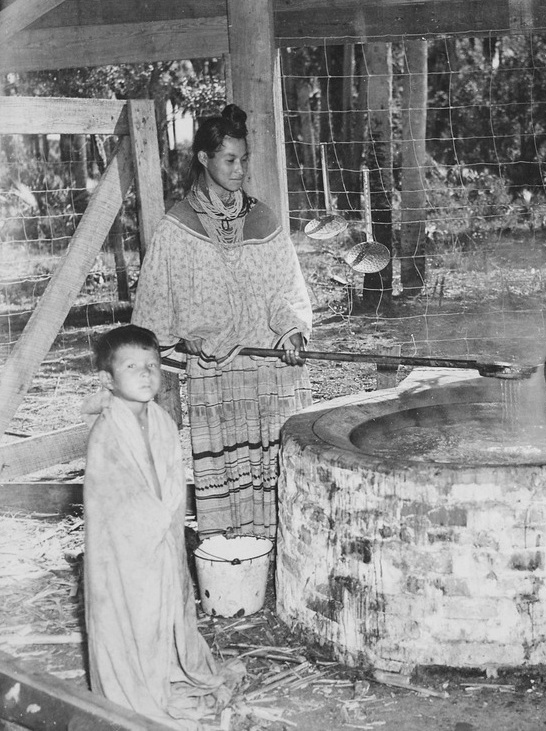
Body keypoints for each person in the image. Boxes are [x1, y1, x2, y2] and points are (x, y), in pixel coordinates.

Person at [133, 103, 314, 539]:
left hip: (266, 367)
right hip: (217, 374)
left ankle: (278, 547)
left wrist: (289, 329)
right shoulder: (176, 229)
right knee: (227, 464)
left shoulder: (265, 219)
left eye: (244, 159)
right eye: (229, 160)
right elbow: (157, 304)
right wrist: (183, 338)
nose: (239, 170)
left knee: (276, 459)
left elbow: (285, 287)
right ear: (204, 159)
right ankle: (231, 552)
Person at [82, 325, 231, 728]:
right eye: (131, 366)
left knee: (165, 610)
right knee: (133, 614)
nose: (146, 374)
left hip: (160, 541)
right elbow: (113, 501)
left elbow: (170, 482)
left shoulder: (161, 420)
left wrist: (168, 524)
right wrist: (156, 521)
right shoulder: (106, 434)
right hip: (125, 552)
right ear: (108, 380)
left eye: (152, 364)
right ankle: (134, 687)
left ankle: (166, 668)